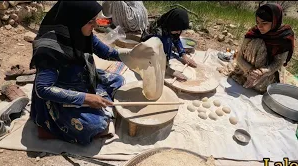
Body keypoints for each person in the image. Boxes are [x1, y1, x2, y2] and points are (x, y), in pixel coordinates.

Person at [29, 1, 125, 145]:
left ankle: (96, 102)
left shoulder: (81, 32)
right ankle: (49, 127)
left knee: (118, 80)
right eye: (91, 21)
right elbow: (43, 89)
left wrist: (132, 54)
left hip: (79, 77)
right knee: (95, 124)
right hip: (60, 91)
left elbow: (106, 52)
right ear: (75, 19)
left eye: (95, 20)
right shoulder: (48, 50)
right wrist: (86, 98)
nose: (96, 25)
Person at [222, 3, 294, 93]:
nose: (259, 26)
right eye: (257, 22)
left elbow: (278, 62)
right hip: (245, 70)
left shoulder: (283, 37)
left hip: (266, 73)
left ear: (275, 21)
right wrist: (249, 70)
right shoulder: (253, 33)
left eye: (264, 23)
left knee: (261, 86)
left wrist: (261, 72)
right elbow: (239, 56)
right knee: (257, 42)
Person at [140, 8, 197, 81]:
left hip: (163, 41)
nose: (179, 32)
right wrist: (170, 71)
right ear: (172, 25)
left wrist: (183, 55)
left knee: (170, 40)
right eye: (177, 30)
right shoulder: (158, 35)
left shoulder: (170, 25)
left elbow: (176, 39)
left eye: (181, 30)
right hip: (147, 53)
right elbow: (153, 58)